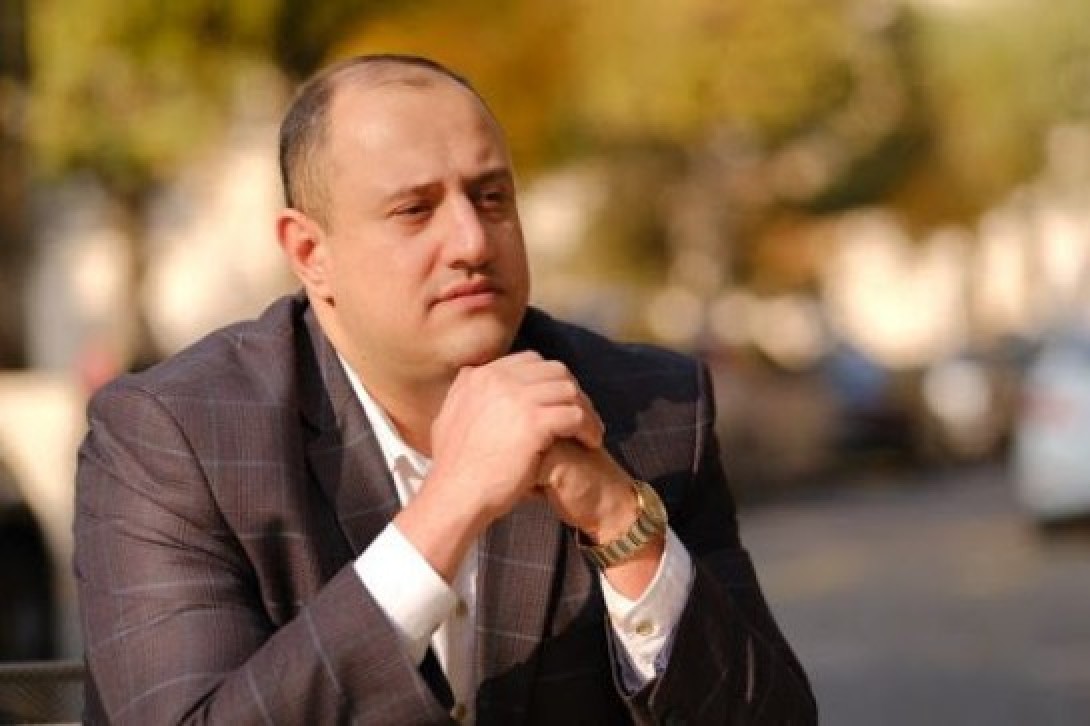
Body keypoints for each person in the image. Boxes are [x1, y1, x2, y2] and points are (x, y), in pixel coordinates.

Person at [74, 54, 816, 725]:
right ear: (311, 252)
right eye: (414, 210)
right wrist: (449, 507)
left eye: (491, 198)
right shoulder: (174, 438)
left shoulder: (648, 409)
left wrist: (621, 522)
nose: (472, 241)